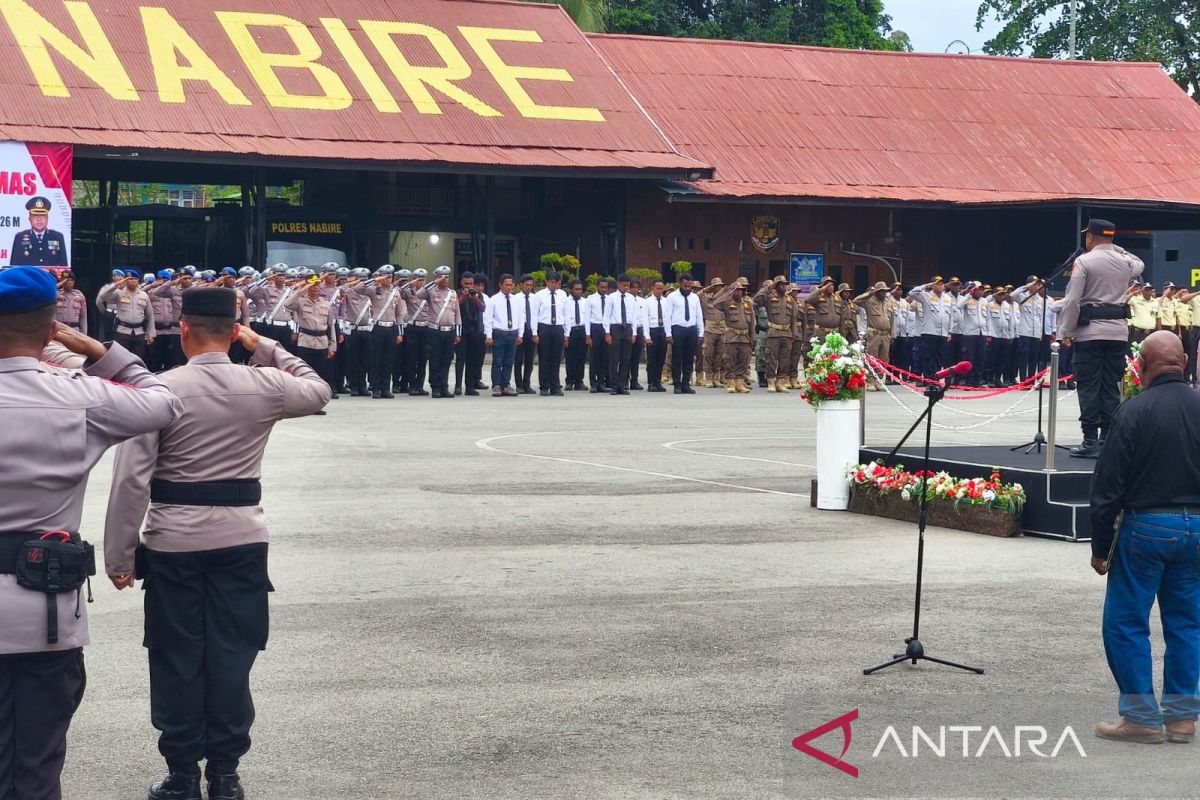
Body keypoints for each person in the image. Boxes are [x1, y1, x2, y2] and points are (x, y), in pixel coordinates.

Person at [104, 288, 330, 800]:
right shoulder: (265, 384)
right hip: (242, 539)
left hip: (173, 543)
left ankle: (183, 773)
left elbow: (131, 482)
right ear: (234, 332)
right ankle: (225, 773)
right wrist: (264, 344)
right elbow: (317, 389)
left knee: (176, 656)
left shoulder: (159, 390)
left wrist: (120, 555)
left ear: (181, 329)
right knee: (232, 653)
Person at [0, 266, 181, 800]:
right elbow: (163, 401)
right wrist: (102, 352)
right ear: (51, 327)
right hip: (43, 614)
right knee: (34, 766)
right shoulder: (78, 395)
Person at [1088, 331, 1199, 745]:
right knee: (1188, 623)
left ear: (1140, 367)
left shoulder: (1133, 411)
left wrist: (1100, 548)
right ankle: (1183, 717)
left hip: (1147, 527)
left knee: (1126, 622)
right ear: (1184, 362)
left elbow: (1108, 486)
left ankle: (1140, 717)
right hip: (1198, 529)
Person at [1058, 219, 1145, 459]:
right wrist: (1115, 247)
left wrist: (1066, 332)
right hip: (1117, 332)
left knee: (1088, 386)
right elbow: (1140, 264)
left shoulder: (1084, 261)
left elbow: (1073, 300)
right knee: (1110, 385)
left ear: (1090, 237)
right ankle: (1108, 438)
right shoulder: (1125, 262)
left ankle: (1089, 440)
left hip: (1090, 332)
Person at [353, 266, 404, 399]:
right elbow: (358, 288)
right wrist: (375, 280)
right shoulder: (374, 290)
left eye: (390, 277)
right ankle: (376, 388)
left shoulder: (395, 292)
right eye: (386, 277)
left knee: (388, 360)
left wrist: (399, 332)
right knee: (376, 359)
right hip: (378, 327)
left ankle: (385, 388)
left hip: (391, 328)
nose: (389, 279)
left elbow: (399, 314)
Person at [284, 275, 338, 398]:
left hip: (322, 342)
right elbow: (287, 305)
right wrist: (302, 290)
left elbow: (331, 326)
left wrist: (332, 346)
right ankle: (304, 399)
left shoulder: (326, 304)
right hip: (305, 342)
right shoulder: (301, 302)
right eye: (312, 285)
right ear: (307, 287)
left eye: (318, 285)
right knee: (305, 372)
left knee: (320, 373)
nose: (315, 288)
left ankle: (317, 400)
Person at [415, 266, 461, 399]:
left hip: (449, 331)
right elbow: (418, 294)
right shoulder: (431, 291)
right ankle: (435, 387)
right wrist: (434, 283)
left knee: (446, 360)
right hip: (435, 330)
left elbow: (457, 314)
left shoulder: (452, 293)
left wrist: (457, 333)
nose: (445, 279)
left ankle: (444, 386)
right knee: (435, 359)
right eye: (442, 277)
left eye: (447, 277)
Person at [484, 274, 523, 397]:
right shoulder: (493, 300)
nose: (509, 287)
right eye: (506, 284)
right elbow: (488, 318)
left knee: (509, 361)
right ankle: (496, 385)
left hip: (512, 333)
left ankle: (505, 384)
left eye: (511, 285)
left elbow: (521, 317)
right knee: (498, 361)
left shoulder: (516, 300)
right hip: (499, 332)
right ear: (500, 285)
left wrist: (520, 334)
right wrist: (488, 335)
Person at [664, 273, 704, 393]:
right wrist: (668, 334)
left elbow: (699, 316)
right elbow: (667, 316)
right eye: (686, 286)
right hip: (678, 329)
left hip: (691, 330)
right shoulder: (672, 297)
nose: (688, 288)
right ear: (680, 283)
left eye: (689, 286)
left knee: (689, 358)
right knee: (677, 358)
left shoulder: (695, 297)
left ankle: (686, 384)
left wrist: (700, 333)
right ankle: (677, 384)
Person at [714, 277, 754, 393]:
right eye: (736, 290)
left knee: (743, 360)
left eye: (741, 290)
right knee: (729, 360)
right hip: (731, 336)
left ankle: (740, 383)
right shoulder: (726, 303)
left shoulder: (747, 304)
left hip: (744, 337)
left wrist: (752, 338)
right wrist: (727, 292)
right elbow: (716, 302)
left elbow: (751, 322)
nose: (739, 292)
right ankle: (731, 382)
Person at [907, 277, 952, 378]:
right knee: (928, 357)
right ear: (932, 285)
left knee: (939, 357)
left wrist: (949, 331)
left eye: (942, 284)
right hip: (930, 332)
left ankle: (936, 378)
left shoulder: (947, 298)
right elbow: (912, 293)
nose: (941, 286)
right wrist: (926, 286)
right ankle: (928, 379)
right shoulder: (926, 296)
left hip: (943, 333)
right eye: (937, 284)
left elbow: (950, 316)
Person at [854, 281, 894, 391]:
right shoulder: (869, 301)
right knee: (872, 358)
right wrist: (870, 294)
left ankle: (879, 380)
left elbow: (892, 319)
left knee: (884, 359)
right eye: (881, 291)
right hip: (874, 334)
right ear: (876, 292)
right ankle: (871, 380)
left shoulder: (888, 302)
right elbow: (856, 300)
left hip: (885, 334)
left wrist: (892, 335)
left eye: (885, 291)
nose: (884, 293)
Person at [532, 272, 568, 396]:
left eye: (556, 283)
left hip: (558, 327)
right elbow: (534, 315)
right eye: (551, 282)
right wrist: (534, 333)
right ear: (546, 282)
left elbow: (566, 314)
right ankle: (544, 386)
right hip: (544, 327)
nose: (553, 285)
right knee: (544, 358)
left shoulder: (562, 295)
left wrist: (566, 333)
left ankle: (555, 386)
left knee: (556, 358)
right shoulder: (539, 295)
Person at [339, 268, 373, 396]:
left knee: (365, 360)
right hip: (353, 330)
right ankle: (353, 386)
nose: (363, 282)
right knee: (353, 360)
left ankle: (362, 386)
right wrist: (352, 281)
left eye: (365, 279)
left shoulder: (371, 293)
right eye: (360, 279)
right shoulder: (349, 292)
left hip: (366, 330)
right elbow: (340, 290)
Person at [603, 274, 638, 395]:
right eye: (624, 285)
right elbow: (606, 316)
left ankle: (622, 385)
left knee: (626, 358)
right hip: (615, 327)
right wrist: (607, 333)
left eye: (628, 285)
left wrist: (634, 333)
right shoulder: (611, 298)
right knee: (614, 358)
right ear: (618, 284)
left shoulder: (631, 298)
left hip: (627, 328)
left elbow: (634, 316)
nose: (626, 288)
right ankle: (614, 385)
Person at [9, 197, 68, 267]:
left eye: (42, 216)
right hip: (28, 277)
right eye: (35, 216)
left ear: (47, 218)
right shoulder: (19, 237)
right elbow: (14, 267)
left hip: (49, 277)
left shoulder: (57, 237)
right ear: (29, 218)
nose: (39, 219)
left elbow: (64, 267)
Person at [455, 271, 487, 396]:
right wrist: (463, 297)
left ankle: (470, 386)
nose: (468, 286)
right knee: (460, 358)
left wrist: (475, 298)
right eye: (466, 283)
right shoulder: (456, 293)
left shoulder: (478, 294)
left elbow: (483, 308)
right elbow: (454, 306)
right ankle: (458, 386)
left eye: (471, 283)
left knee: (472, 359)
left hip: (474, 331)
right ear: (461, 283)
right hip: (461, 331)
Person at [642, 278, 669, 393]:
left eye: (661, 289)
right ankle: (651, 382)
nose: (659, 291)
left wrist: (668, 334)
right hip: (652, 330)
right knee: (652, 359)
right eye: (657, 288)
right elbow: (645, 320)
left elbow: (668, 319)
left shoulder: (666, 301)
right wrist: (647, 336)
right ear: (652, 288)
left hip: (662, 330)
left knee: (661, 358)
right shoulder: (647, 302)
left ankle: (658, 382)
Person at [512, 274, 538, 395]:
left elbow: (536, 316)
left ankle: (527, 384)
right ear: (521, 285)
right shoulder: (515, 298)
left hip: (531, 331)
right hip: (519, 332)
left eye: (531, 285)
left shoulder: (535, 298)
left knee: (529, 360)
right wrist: (518, 334)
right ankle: (519, 385)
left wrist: (535, 333)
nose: (529, 287)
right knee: (518, 360)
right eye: (527, 285)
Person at [698, 277, 725, 388]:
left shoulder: (724, 299)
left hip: (722, 329)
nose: (719, 288)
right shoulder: (706, 299)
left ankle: (716, 377)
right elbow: (697, 296)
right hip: (709, 329)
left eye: (720, 286)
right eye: (716, 286)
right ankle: (708, 377)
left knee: (719, 355)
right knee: (708, 354)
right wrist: (705, 290)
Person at [585, 278, 611, 392]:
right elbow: (586, 318)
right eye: (602, 287)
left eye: (606, 287)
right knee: (594, 358)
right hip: (595, 327)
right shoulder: (591, 299)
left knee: (605, 357)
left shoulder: (610, 299)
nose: (604, 289)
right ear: (597, 286)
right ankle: (593, 383)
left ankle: (601, 382)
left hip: (607, 328)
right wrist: (588, 335)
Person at [563, 279, 589, 391]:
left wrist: (588, 334)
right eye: (576, 289)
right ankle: (569, 381)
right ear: (571, 290)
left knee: (581, 357)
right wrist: (566, 336)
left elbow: (588, 319)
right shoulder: (565, 302)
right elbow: (565, 318)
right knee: (570, 358)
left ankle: (579, 381)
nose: (579, 291)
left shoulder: (585, 302)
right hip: (571, 331)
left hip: (582, 330)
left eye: (580, 289)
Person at [54, 270, 87, 335]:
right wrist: (61, 282)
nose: (69, 282)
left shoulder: (79, 295)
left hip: (75, 329)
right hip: (60, 330)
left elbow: (83, 317)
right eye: (67, 280)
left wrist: (84, 333)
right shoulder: (56, 294)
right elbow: (48, 290)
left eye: (72, 280)